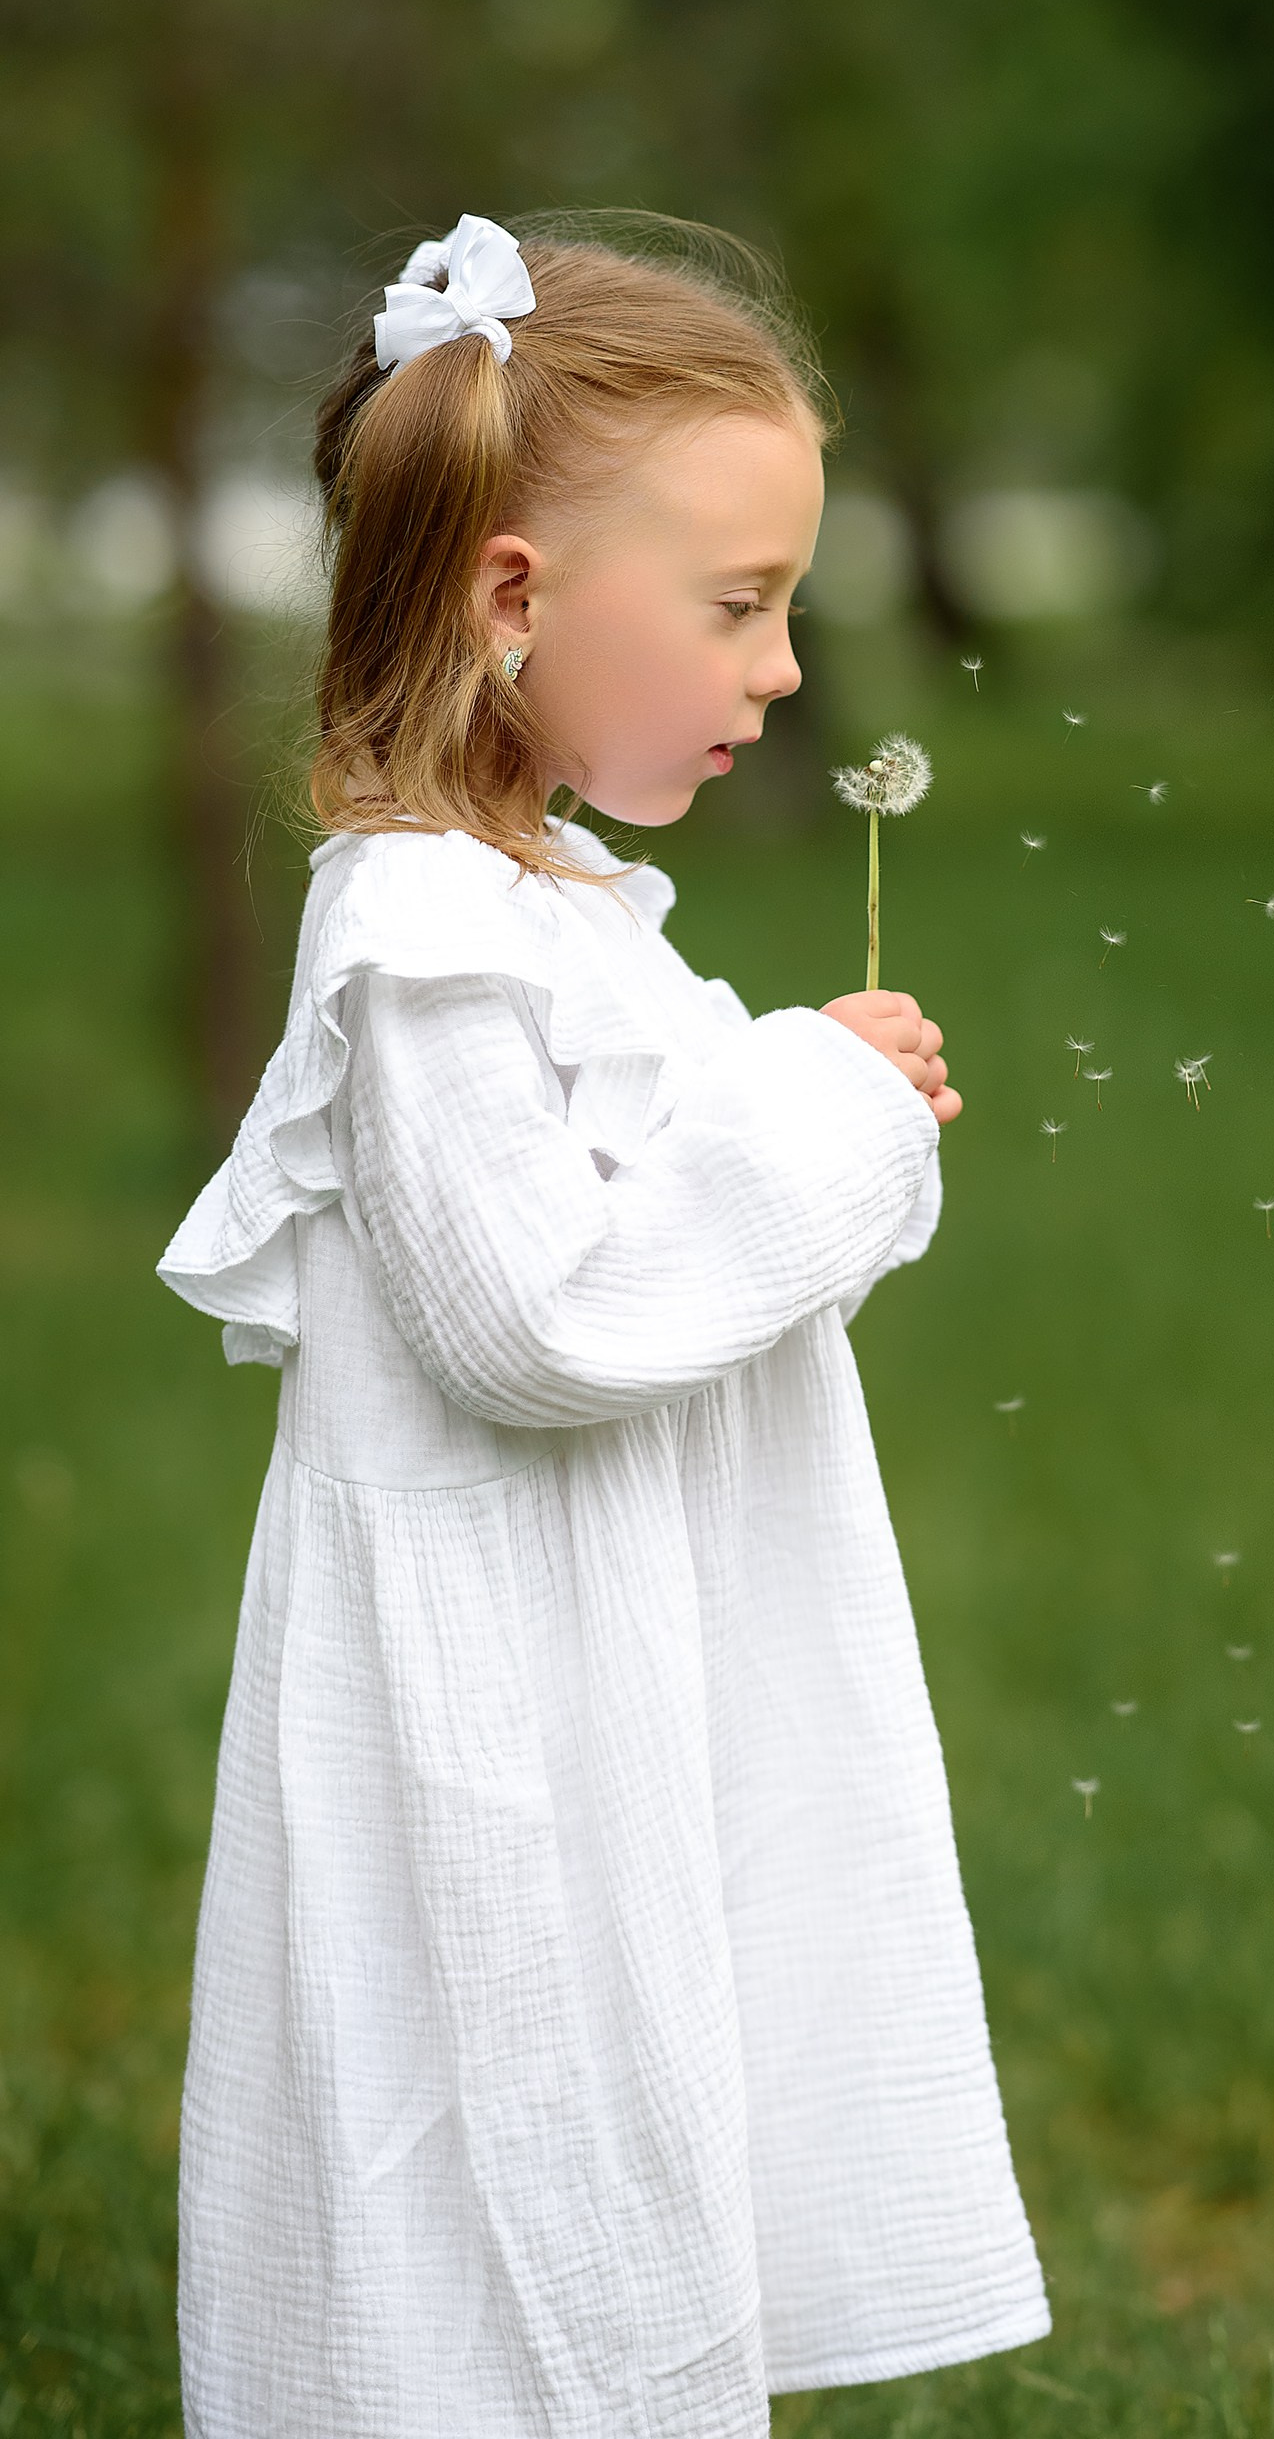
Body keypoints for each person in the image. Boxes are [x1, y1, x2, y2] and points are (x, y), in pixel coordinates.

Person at [157, 212, 1049, 2437]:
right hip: (497, 1710)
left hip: (605, 1661)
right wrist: (815, 1110)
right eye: (739, 607)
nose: (776, 672)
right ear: (515, 596)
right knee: (492, 2136)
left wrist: (801, 1087)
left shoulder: (546, 903)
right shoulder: (421, 927)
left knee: (623, 2102)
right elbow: (535, 1318)